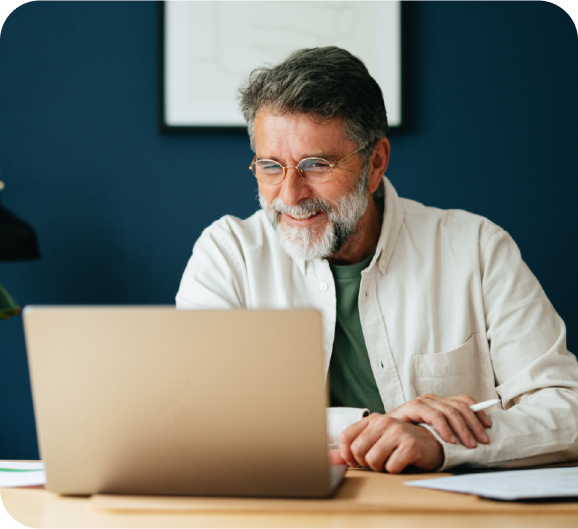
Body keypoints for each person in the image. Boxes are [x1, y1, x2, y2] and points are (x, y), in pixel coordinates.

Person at [176, 46, 578, 473]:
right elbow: (193, 412)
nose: (290, 196)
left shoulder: (476, 248)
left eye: (315, 165)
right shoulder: (228, 254)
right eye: (271, 166)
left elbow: (567, 409)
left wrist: (439, 443)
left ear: (375, 163)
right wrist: (369, 426)